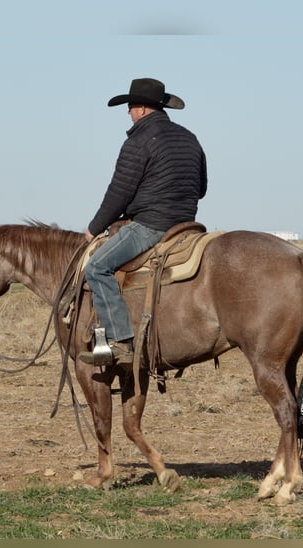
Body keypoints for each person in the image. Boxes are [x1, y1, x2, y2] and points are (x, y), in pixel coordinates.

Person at [78, 78, 207, 366]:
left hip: (152, 225)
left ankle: (120, 342)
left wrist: (94, 228)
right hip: (186, 224)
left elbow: (118, 194)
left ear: (143, 109)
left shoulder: (137, 141)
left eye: (131, 107)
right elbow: (201, 188)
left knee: (97, 267)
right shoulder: (189, 137)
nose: (128, 113)